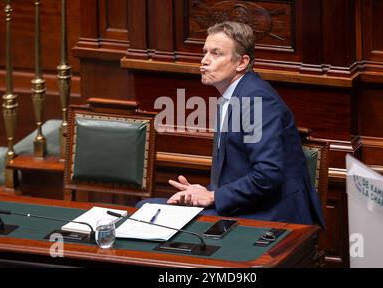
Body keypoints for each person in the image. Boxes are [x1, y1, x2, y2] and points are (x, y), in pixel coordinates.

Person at [139, 21, 325, 227]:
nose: (204, 61)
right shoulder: (234, 95)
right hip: (247, 206)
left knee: (149, 215)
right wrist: (202, 193)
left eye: (216, 53)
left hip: (274, 216)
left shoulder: (257, 100)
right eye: (205, 52)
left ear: (241, 63)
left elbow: (268, 175)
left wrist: (213, 197)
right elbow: (239, 170)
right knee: (146, 210)